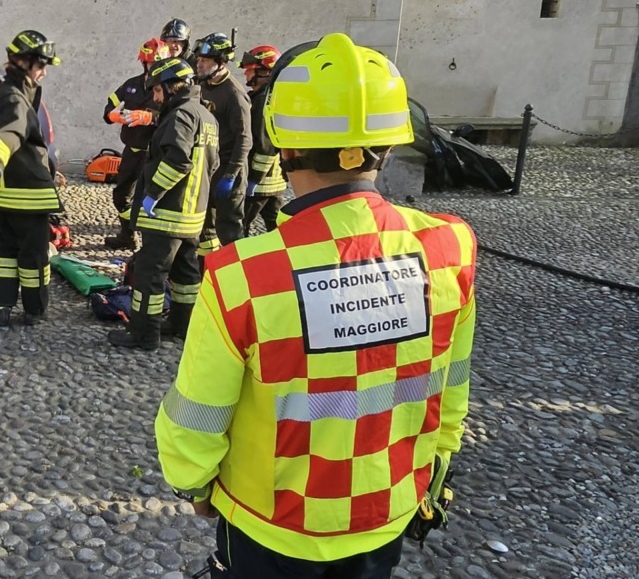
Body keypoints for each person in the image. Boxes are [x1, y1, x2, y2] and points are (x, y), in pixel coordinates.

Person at [155, 33, 476, 579]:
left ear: (283, 146)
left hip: (270, 522)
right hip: (389, 509)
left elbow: (197, 414)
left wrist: (195, 484)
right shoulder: (450, 247)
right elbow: (452, 387)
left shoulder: (244, 273)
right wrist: (437, 461)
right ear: (391, 143)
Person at [106, 57, 216, 350]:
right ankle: (182, 325)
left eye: (156, 91)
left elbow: (178, 161)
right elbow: (211, 164)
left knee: (149, 274)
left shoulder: (179, 115)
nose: (154, 98)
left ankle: (144, 334)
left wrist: (153, 193)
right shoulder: (205, 116)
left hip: (167, 214)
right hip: (193, 215)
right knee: (186, 275)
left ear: (170, 87)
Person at [0, 30, 62, 328]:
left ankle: (0, 307)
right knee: (34, 258)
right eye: (41, 65)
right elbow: (12, 131)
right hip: (28, 194)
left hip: (7, 194)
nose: (43, 72)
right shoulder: (14, 97)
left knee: (7, 255)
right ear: (23, 62)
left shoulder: (9, 90)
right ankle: (34, 310)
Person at [102, 37, 168, 250]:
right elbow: (109, 105)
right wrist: (113, 115)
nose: (152, 67)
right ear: (143, 63)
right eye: (149, 63)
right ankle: (127, 234)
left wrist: (152, 118)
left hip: (155, 154)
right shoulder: (131, 85)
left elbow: (178, 116)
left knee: (150, 200)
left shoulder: (167, 89)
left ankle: (150, 245)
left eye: (156, 64)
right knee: (121, 196)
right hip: (132, 151)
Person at [193, 32, 251, 254]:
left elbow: (244, 139)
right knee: (205, 226)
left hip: (229, 171)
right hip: (209, 170)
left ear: (220, 63)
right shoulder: (204, 86)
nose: (199, 65)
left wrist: (230, 176)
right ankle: (205, 268)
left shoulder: (234, 94)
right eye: (198, 60)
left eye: (204, 61)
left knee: (229, 231)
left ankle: (241, 277)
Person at [240, 45, 287, 233]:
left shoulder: (261, 102)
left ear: (265, 72)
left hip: (261, 185)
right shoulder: (273, 96)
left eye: (250, 71)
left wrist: (254, 180)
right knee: (279, 231)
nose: (245, 75)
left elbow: (265, 146)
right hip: (276, 182)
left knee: (239, 227)